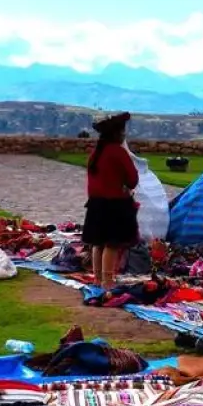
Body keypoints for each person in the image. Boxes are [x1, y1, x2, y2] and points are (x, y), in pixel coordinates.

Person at [82, 112, 139, 288]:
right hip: (114, 204)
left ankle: (98, 278)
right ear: (118, 133)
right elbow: (132, 179)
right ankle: (108, 281)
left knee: (97, 243)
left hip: (96, 203)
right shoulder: (118, 152)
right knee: (111, 243)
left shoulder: (96, 153)